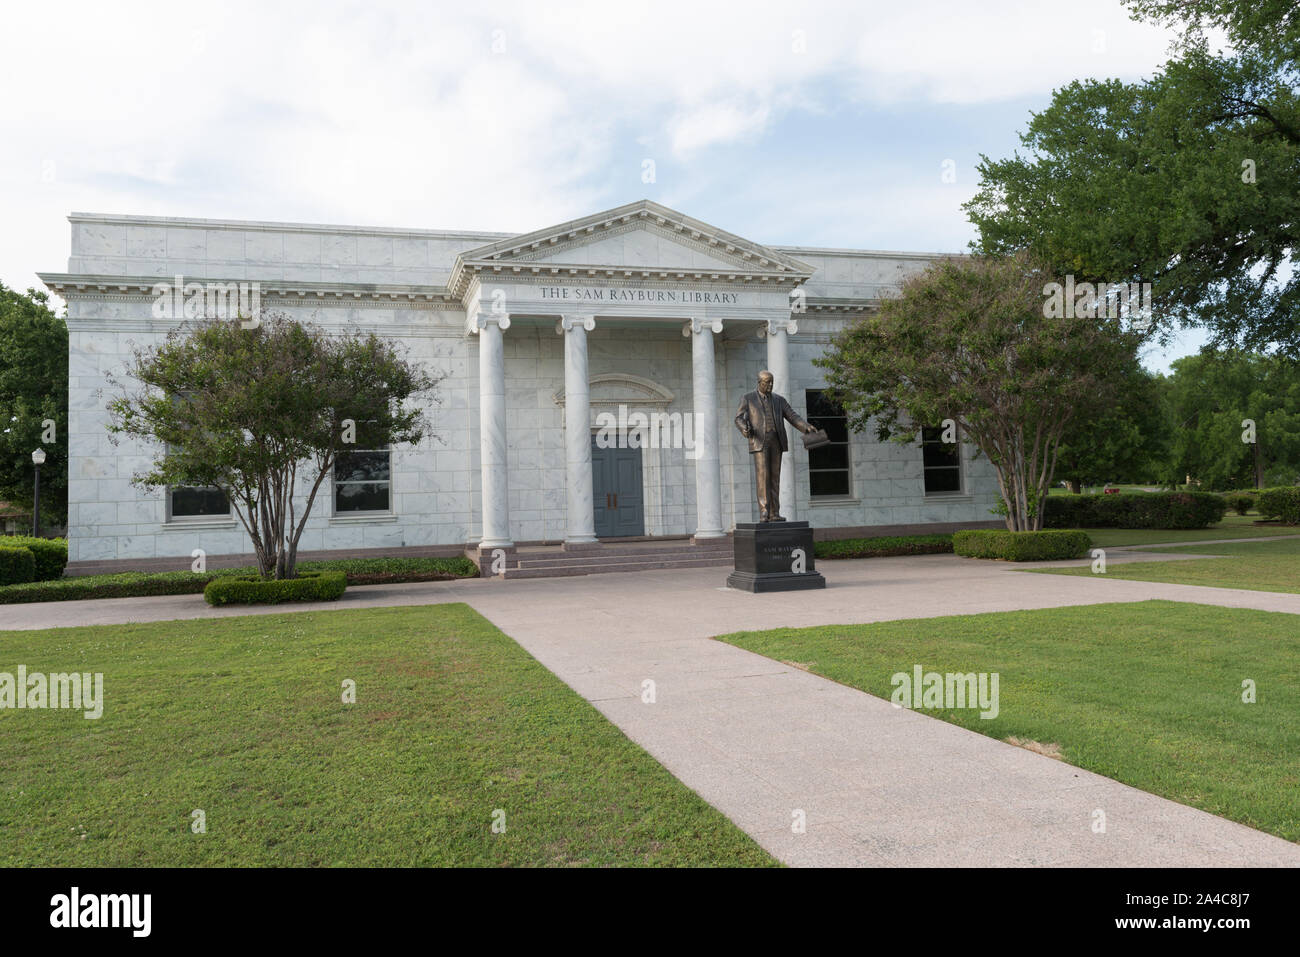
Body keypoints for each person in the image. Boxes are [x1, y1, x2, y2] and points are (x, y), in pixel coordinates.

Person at [734, 370, 818, 522]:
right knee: (763, 477)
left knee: (774, 478)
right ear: (759, 382)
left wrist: (806, 427)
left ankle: (775, 513)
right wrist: (744, 429)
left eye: (772, 382)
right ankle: (764, 512)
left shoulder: (779, 400)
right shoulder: (748, 398)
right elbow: (738, 418)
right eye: (767, 382)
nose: (770, 385)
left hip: (776, 441)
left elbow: (792, 416)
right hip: (760, 441)